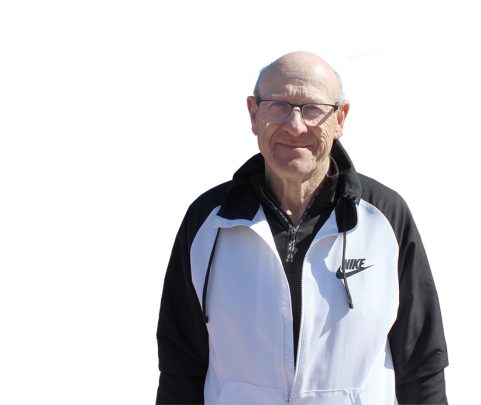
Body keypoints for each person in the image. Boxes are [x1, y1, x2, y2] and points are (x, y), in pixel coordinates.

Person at [156, 51, 448, 404]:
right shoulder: (209, 221)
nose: (294, 126)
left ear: (340, 118)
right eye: (277, 105)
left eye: (312, 109)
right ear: (254, 114)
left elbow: (421, 361)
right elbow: (180, 364)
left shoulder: (385, 218)